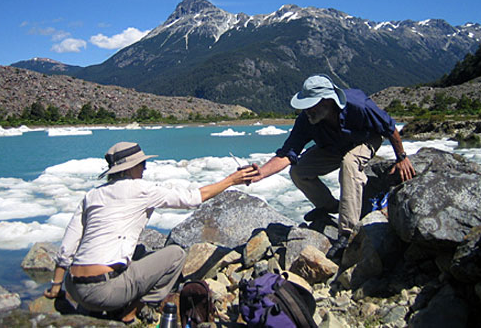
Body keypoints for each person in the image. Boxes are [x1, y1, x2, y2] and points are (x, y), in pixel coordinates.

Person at [44, 141, 256, 324]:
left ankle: (93, 309)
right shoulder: (141, 190)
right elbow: (193, 198)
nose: (145, 168)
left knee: (138, 252)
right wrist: (231, 180)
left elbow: (68, 245)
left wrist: (56, 287)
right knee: (176, 255)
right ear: (130, 168)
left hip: (74, 287)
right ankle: (131, 312)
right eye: (142, 164)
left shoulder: (92, 195)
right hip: (103, 292)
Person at [251, 74, 415, 259]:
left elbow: (389, 127)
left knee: (350, 163)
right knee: (299, 171)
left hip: (365, 139)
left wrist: (401, 157)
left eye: (310, 105)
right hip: (332, 146)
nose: (306, 111)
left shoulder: (359, 105)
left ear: (328, 102)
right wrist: (261, 173)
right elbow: (288, 153)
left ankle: (347, 234)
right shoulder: (307, 119)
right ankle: (329, 206)